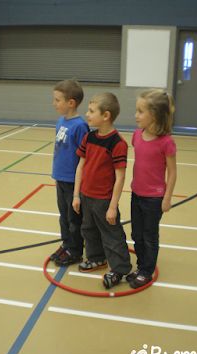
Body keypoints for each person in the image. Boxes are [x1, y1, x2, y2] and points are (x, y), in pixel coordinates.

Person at [72, 92, 132, 289]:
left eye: (91, 111)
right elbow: (80, 166)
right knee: (88, 230)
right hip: (86, 196)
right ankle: (97, 258)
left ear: (105, 116)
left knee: (111, 234)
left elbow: (120, 176)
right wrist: (76, 195)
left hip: (104, 200)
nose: (87, 114)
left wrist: (113, 206)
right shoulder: (89, 137)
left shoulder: (117, 143)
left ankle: (120, 269)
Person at [127, 89, 177, 289]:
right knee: (136, 234)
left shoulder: (166, 142)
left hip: (154, 199)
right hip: (136, 194)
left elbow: (172, 172)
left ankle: (147, 270)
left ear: (154, 115)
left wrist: (167, 198)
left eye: (140, 111)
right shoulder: (136, 136)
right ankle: (141, 266)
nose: (135, 115)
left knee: (149, 236)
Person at [51, 79, 89, 266]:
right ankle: (66, 244)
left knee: (74, 218)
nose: (54, 103)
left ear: (71, 103)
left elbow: (85, 157)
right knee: (63, 216)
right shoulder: (60, 121)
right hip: (60, 178)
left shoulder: (80, 126)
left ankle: (75, 251)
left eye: (58, 100)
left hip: (73, 181)